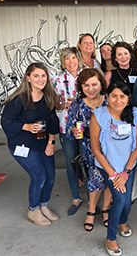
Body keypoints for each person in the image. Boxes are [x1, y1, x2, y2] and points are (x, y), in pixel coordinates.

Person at [1, 62, 60, 226]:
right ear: (28, 78)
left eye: (43, 75)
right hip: (22, 144)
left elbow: (53, 120)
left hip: (43, 143)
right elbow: (6, 121)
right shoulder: (18, 100)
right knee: (39, 176)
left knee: (50, 176)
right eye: (36, 76)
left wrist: (51, 142)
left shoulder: (48, 96)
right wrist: (25, 126)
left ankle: (44, 205)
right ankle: (33, 210)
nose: (40, 79)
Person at [91, 82, 137, 256]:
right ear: (107, 97)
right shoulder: (99, 116)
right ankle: (111, 238)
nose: (118, 100)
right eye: (114, 95)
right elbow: (96, 150)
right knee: (120, 200)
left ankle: (122, 221)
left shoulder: (135, 114)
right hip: (109, 168)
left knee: (127, 202)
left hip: (127, 168)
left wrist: (125, 172)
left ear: (128, 98)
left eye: (122, 96)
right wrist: (113, 175)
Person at [66, 68, 112, 231]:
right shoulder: (77, 105)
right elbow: (69, 130)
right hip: (89, 149)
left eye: (94, 84)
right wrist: (73, 131)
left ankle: (106, 210)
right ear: (81, 86)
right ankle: (91, 210)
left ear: (101, 84)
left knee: (110, 180)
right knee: (94, 181)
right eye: (86, 85)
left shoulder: (110, 100)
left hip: (111, 148)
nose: (90, 88)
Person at [52, 47, 85, 215]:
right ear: (63, 61)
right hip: (66, 124)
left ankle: (93, 195)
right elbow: (55, 104)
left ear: (78, 59)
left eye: (73, 58)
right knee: (71, 161)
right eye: (67, 59)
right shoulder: (58, 80)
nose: (71, 62)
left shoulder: (87, 75)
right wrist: (63, 105)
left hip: (85, 123)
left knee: (88, 159)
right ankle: (76, 197)